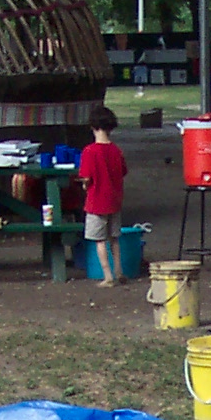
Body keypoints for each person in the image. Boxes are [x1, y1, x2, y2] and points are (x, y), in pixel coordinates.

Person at [78, 105, 128, 287]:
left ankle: (107, 276)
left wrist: (84, 185)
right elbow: (123, 171)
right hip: (114, 200)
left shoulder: (89, 151)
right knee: (114, 239)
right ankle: (119, 271)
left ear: (92, 126)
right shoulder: (116, 150)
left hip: (96, 202)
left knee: (100, 240)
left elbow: (86, 177)